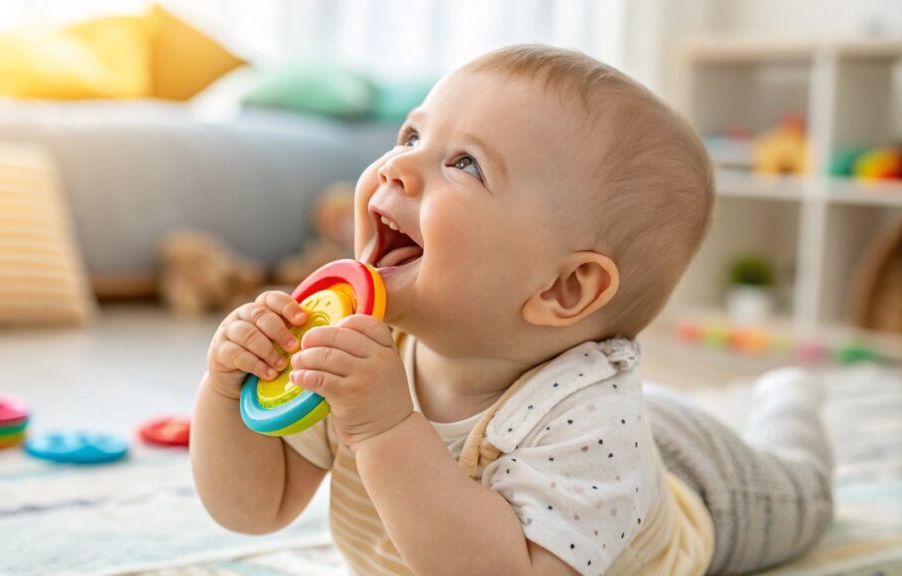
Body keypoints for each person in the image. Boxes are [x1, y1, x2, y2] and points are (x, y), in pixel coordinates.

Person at [191, 45, 833, 575]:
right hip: (627, 434)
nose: (399, 166)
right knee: (652, 418)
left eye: (464, 164)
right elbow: (254, 508)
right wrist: (227, 389)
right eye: (412, 134)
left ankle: (791, 400)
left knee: (802, 486)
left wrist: (385, 427)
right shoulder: (357, 348)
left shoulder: (592, 423)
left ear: (564, 289)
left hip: (707, 492)